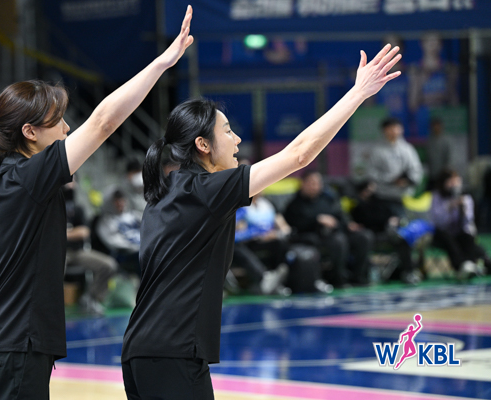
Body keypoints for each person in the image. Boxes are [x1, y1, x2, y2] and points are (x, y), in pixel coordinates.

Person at [121, 43, 402, 399]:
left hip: (140, 350)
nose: (237, 139)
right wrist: (358, 93)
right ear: (203, 145)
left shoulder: (168, 192)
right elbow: (299, 154)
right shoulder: (206, 189)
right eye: (227, 132)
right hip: (173, 352)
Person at [0, 6, 195, 399]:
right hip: (10, 359)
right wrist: (161, 63)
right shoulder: (26, 178)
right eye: (58, 121)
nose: (68, 128)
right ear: (29, 132)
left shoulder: (2, 188)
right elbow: (103, 123)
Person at [283, 171, 374, 287]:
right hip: (313, 235)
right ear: (303, 184)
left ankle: (358, 277)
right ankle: (338, 279)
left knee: (364, 236)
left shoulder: (327, 198)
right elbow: (295, 224)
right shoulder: (295, 204)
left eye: (318, 183)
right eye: (312, 183)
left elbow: (339, 214)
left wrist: (348, 224)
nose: (315, 186)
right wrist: (317, 220)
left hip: (336, 231)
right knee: (338, 241)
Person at [63, 182, 118, 315]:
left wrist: (63, 233)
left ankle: (92, 298)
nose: (71, 185)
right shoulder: (50, 207)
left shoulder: (78, 209)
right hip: (58, 252)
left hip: (78, 252)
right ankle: (49, 304)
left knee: (108, 265)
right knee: (53, 269)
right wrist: (72, 233)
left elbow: (84, 232)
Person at [351, 180, 420, 285]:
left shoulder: (379, 202)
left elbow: (388, 215)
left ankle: (408, 272)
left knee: (402, 238)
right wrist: (385, 220)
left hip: (384, 232)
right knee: (366, 238)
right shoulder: (358, 207)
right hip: (370, 235)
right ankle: (362, 276)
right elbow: (367, 221)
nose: (372, 192)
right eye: (368, 190)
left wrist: (393, 219)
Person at [430, 169, 490, 279]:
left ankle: (472, 266)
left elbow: (468, 223)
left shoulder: (465, 198)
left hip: (459, 233)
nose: (454, 185)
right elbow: (438, 223)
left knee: (468, 238)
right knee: (448, 239)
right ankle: (461, 266)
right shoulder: (436, 197)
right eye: (451, 182)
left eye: (456, 182)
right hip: (443, 234)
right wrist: (449, 208)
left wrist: (463, 210)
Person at [367, 117, 423, 216]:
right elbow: (371, 172)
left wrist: (408, 180)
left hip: (404, 196)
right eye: (391, 128)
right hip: (383, 195)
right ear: (384, 130)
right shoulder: (376, 150)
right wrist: (390, 179)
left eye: (397, 128)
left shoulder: (407, 149)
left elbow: (416, 169)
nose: (394, 131)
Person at [426, 117, 452, 189]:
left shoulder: (446, 140)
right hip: (432, 173)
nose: (436, 128)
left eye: (438, 126)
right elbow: (428, 156)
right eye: (434, 126)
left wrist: (446, 171)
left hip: (442, 173)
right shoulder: (430, 140)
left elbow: (449, 157)